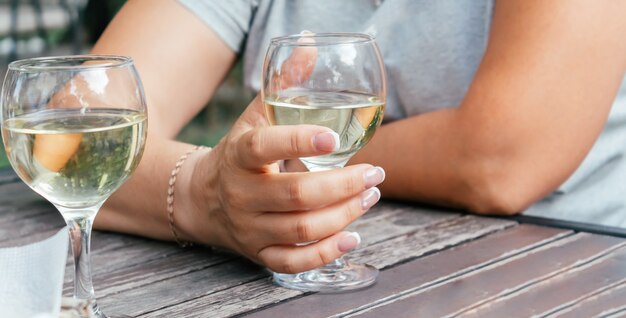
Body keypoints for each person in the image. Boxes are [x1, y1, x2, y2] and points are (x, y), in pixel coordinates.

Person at [92, 0, 626, 274]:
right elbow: (86, 127)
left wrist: (284, 164)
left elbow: (502, 161)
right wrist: (204, 192)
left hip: (569, 271)